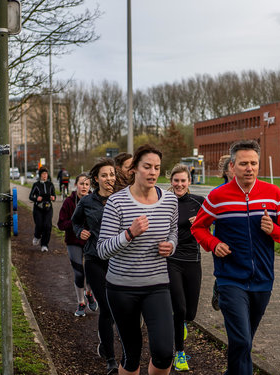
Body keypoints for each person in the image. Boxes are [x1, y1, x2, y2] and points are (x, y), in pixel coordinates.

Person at [191, 140, 280, 375]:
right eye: (243, 163)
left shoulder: (273, 194)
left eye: (253, 163)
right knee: (242, 341)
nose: (249, 168)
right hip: (230, 278)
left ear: (259, 165)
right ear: (233, 166)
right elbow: (198, 228)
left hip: (262, 279)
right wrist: (214, 243)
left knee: (243, 342)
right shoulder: (218, 197)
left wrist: (274, 230)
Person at [97, 144, 178, 375]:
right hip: (122, 288)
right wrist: (129, 234)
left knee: (164, 353)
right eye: (147, 167)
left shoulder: (169, 201)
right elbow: (102, 250)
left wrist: (170, 246)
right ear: (134, 169)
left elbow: (173, 232)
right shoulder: (117, 202)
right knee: (131, 355)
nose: (153, 172)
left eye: (157, 168)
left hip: (157, 285)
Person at [71, 158, 118, 374]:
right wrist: (80, 231)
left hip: (118, 261)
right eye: (105, 175)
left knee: (121, 309)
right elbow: (75, 221)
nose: (109, 178)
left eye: (112, 174)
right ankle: (110, 358)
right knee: (107, 308)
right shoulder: (87, 202)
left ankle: (108, 346)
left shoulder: (121, 200)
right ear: (96, 179)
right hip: (94, 260)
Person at [167, 164, 204, 372]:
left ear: (189, 182)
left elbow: (214, 226)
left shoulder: (198, 202)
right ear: (171, 181)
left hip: (193, 259)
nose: (179, 184)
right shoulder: (164, 201)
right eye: (176, 180)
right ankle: (179, 353)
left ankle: (182, 324)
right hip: (172, 259)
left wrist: (201, 222)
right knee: (179, 308)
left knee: (190, 313)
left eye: (183, 181)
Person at [57, 172, 98, 317]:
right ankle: (81, 302)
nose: (84, 187)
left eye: (87, 184)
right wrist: (77, 226)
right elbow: (60, 224)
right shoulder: (69, 202)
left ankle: (89, 293)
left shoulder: (95, 200)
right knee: (79, 273)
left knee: (92, 272)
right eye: (81, 184)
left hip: (91, 242)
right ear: (76, 185)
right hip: (73, 241)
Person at [211, 154, 233, 311]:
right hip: (222, 241)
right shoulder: (217, 192)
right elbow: (208, 220)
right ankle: (219, 289)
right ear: (226, 171)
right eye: (231, 167)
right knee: (225, 271)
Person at [29, 167, 56, 252]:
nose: (45, 176)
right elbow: (30, 196)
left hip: (48, 208)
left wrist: (53, 198)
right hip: (38, 208)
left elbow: (54, 196)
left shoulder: (50, 184)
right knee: (39, 224)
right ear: (40, 175)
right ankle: (37, 236)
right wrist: (36, 198)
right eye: (43, 174)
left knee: (47, 226)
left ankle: (44, 245)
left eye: (46, 174)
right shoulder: (36, 185)